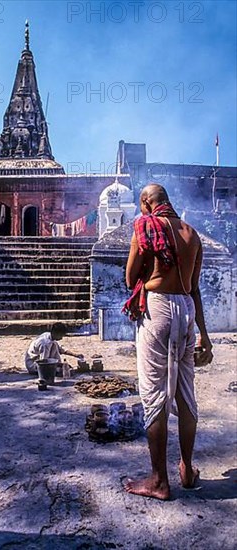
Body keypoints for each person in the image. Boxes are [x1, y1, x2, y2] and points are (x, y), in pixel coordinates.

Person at [122, 184, 213, 500]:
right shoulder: (192, 233)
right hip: (186, 309)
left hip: (158, 308)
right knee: (185, 393)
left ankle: (159, 480)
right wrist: (205, 336)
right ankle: (187, 467)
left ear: (146, 202)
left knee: (155, 395)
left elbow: (131, 278)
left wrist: (148, 265)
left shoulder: (145, 226)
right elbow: (195, 289)